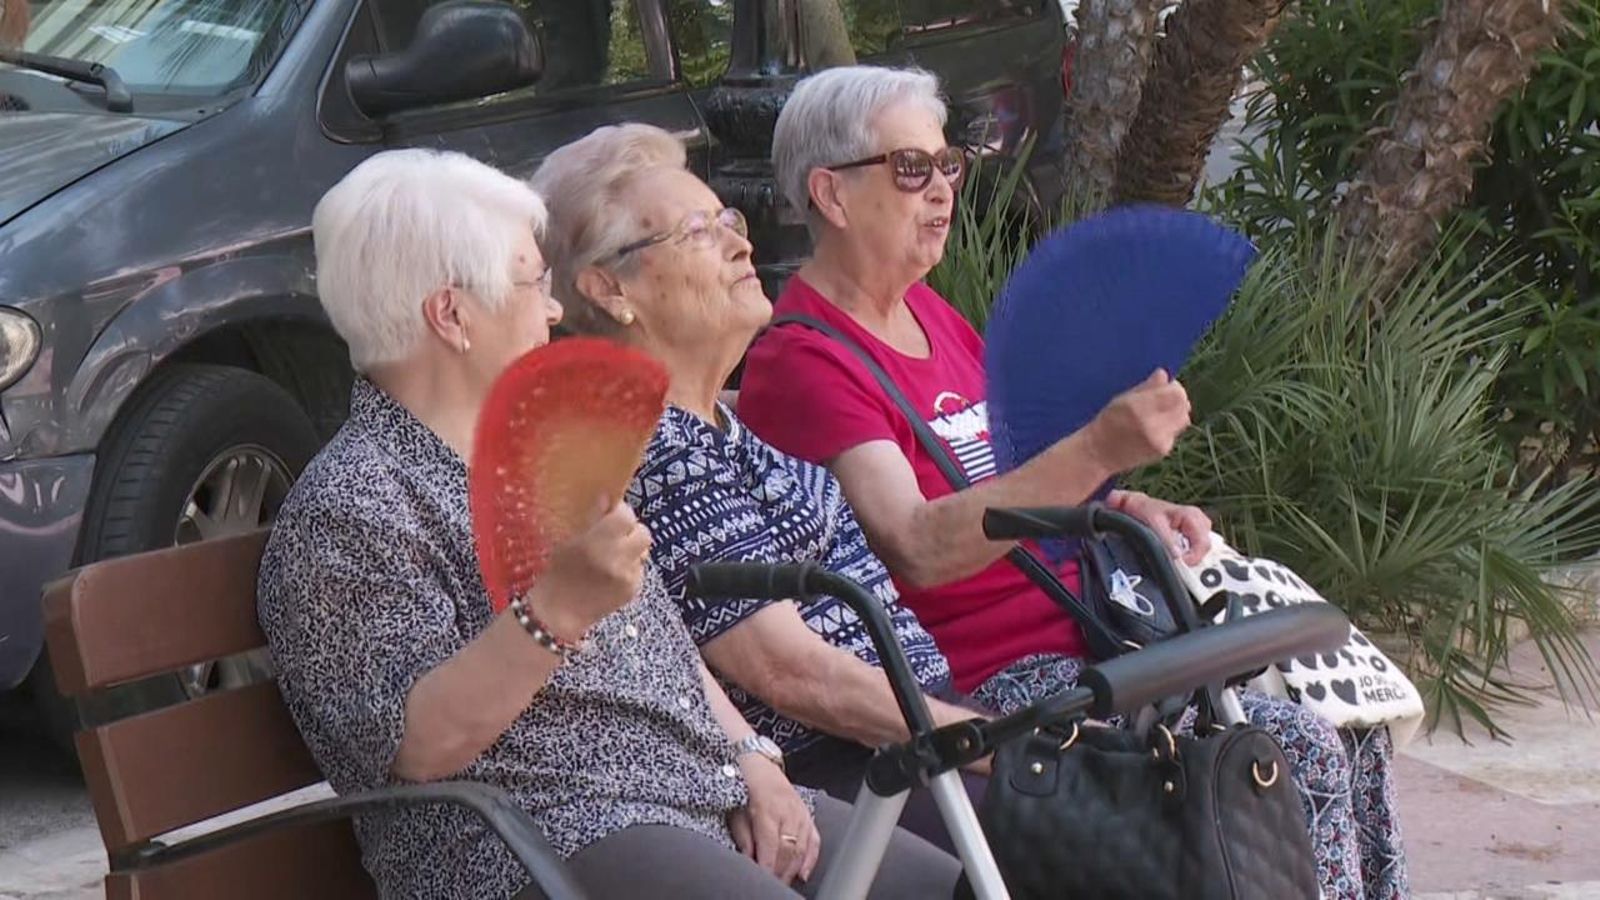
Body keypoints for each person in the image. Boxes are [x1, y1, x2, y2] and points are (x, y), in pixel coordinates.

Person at [738, 64, 1409, 900]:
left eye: (949, 164)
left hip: (1092, 634)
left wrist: (1120, 501)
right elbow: (916, 544)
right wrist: (1098, 446)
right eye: (912, 168)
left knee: (1346, 734)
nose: (941, 190)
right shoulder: (808, 358)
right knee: (1278, 751)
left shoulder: (928, 315)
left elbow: (1011, 480)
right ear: (830, 195)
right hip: (994, 679)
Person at [256, 147, 961, 900]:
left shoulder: (536, 459)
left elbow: (664, 647)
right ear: (451, 316)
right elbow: (416, 745)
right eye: (533, 284)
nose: (555, 310)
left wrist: (751, 756)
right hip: (538, 837)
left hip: (688, 797)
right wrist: (555, 610)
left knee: (947, 887)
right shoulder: (353, 508)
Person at [529, 124, 990, 853]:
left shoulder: (714, 423)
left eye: (729, 222)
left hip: (926, 742)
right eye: (699, 232)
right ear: (610, 288)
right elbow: (789, 670)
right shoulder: (644, 445)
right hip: (865, 773)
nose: (742, 244)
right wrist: (1002, 744)